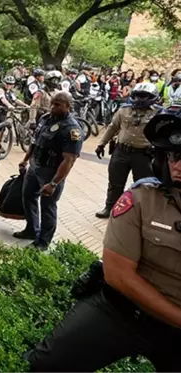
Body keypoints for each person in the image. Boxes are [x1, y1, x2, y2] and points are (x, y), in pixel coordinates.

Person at [25, 107, 181, 372]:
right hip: (122, 310)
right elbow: (119, 276)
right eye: (174, 156)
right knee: (47, 364)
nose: (178, 165)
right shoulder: (140, 199)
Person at [13, 91, 83, 251]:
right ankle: (31, 230)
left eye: (57, 104)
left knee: (48, 207)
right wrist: (25, 160)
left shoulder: (72, 129)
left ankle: (43, 242)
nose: (52, 107)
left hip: (51, 174)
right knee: (28, 197)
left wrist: (53, 183)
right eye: (52, 103)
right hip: (35, 167)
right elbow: (35, 142)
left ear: (68, 106)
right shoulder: (45, 119)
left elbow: (69, 160)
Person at [94, 83, 160, 218]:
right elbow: (113, 127)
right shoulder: (124, 110)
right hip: (121, 152)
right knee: (115, 182)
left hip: (143, 155)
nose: (140, 99)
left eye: (144, 96)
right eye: (138, 96)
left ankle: (139, 213)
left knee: (144, 185)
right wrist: (101, 144)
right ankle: (110, 208)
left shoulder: (158, 113)